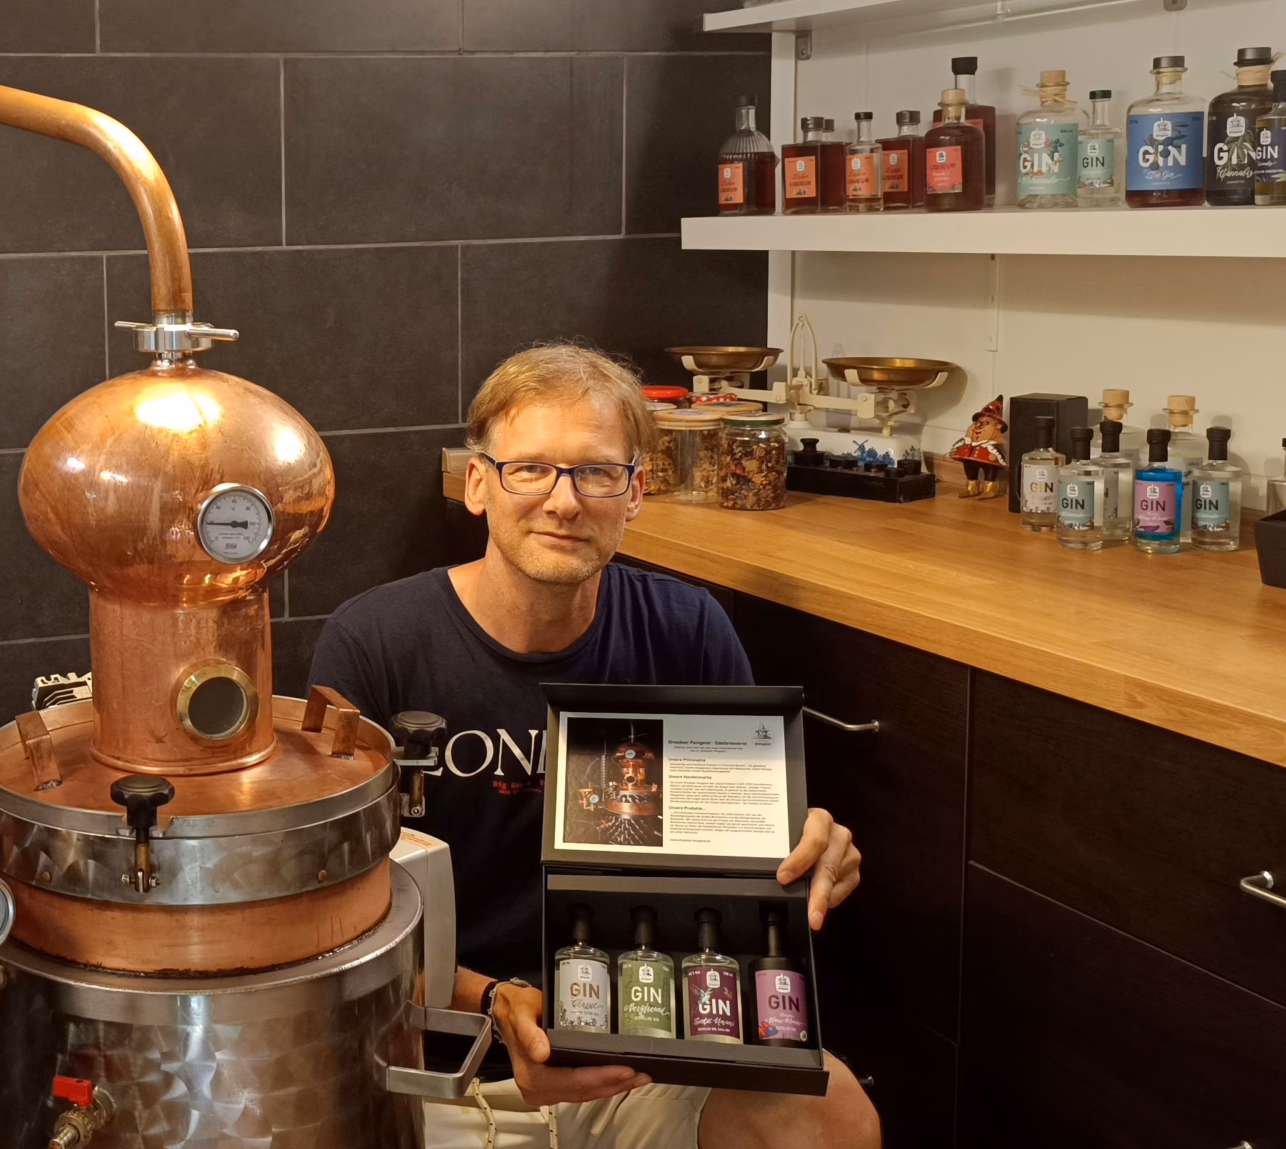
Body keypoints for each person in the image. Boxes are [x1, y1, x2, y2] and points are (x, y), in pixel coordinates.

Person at [311, 343, 880, 1149]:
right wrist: (492, 1002)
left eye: (596, 473)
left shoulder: (686, 630)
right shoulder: (374, 643)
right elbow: (334, 916)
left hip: (646, 1047)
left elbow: (745, 866)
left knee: (834, 1113)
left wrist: (804, 854)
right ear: (479, 485)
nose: (564, 501)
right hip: (440, 1053)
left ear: (636, 491)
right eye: (530, 469)